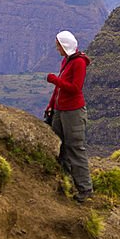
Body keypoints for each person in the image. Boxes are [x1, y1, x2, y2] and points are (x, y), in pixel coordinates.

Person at [45, 30, 93, 203]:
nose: (56, 47)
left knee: (75, 148)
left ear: (64, 45)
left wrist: (54, 80)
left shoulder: (79, 62)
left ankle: (85, 189)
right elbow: (59, 90)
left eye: (58, 44)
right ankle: (65, 182)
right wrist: (51, 105)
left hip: (73, 111)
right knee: (61, 147)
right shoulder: (66, 61)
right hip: (60, 109)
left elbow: (75, 88)